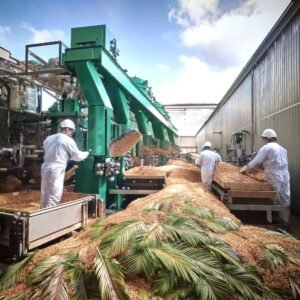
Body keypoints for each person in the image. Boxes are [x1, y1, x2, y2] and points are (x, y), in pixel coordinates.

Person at [241, 129, 290, 225]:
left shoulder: (267, 148)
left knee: (273, 194)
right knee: (285, 196)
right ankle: (285, 220)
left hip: (273, 173)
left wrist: (246, 169)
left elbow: (257, 161)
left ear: (266, 138)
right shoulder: (283, 149)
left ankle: (271, 218)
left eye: (263, 138)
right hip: (285, 173)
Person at [40, 119, 89, 208]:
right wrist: (87, 153)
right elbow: (77, 156)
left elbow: (46, 149)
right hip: (57, 169)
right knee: (54, 195)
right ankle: (48, 218)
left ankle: (40, 214)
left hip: (45, 167)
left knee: (45, 193)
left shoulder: (49, 138)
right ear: (67, 129)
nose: (72, 133)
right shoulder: (67, 139)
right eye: (71, 131)